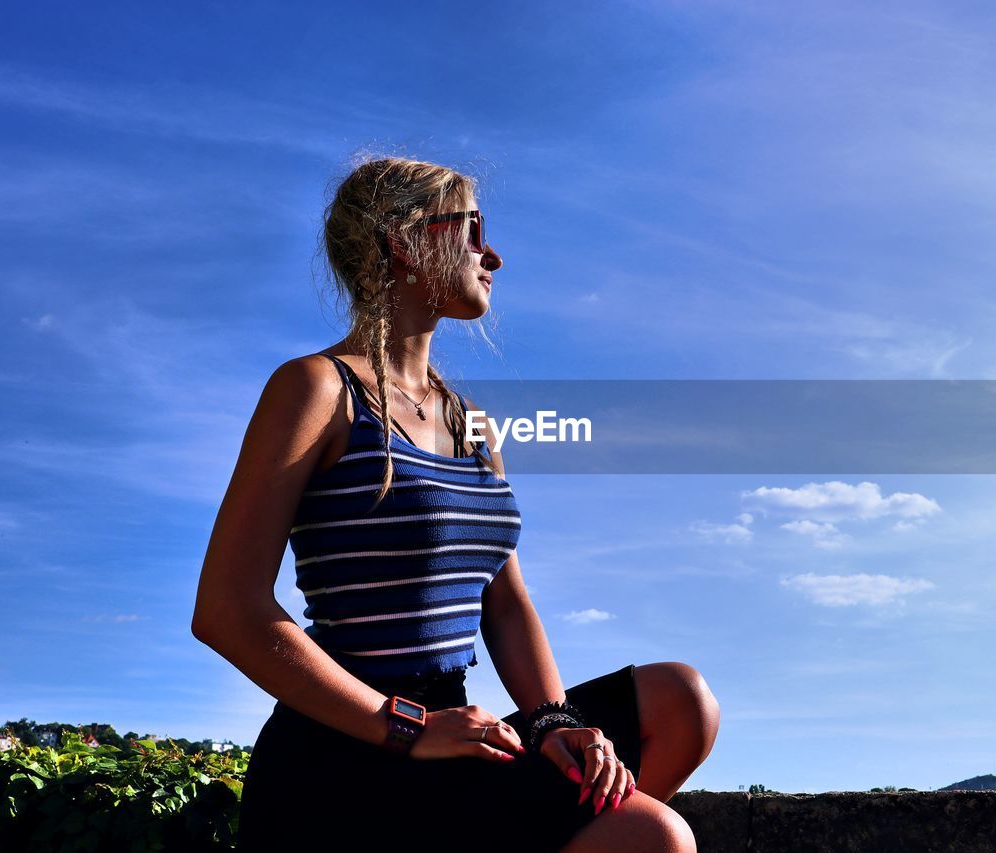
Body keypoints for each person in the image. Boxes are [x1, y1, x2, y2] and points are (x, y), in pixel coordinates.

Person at [191, 155, 720, 851]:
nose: (491, 252)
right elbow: (227, 609)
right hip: (348, 751)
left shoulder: (471, 424)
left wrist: (553, 722)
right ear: (405, 242)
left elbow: (505, 602)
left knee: (682, 701)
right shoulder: (315, 389)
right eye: (472, 228)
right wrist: (403, 722)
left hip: (457, 731)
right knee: (655, 836)